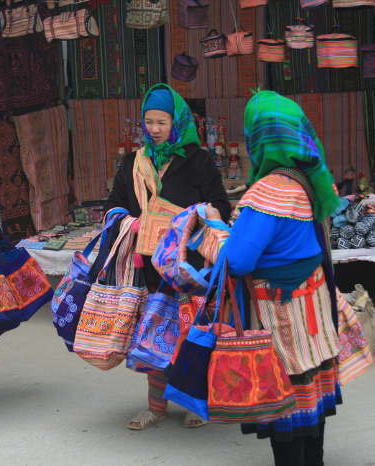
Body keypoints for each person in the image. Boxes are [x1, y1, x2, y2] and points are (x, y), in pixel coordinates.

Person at [221, 91, 341, 466]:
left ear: (258, 138)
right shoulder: (311, 179)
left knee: (287, 399)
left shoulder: (269, 190)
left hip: (282, 313)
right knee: (311, 393)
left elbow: (238, 261)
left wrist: (214, 233)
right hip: (313, 307)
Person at [106, 83, 231, 430]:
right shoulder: (133, 163)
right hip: (147, 267)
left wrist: (186, 219)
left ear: (176, 123)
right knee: (153, 336)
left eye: (162, 122)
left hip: (188, 267)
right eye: (149, 122)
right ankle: (156, 406)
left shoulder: (198, 161)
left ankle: (193, 403)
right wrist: (134, 223)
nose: (155, 130)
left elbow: (221, 206)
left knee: (192, 336)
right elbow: (113, 207)